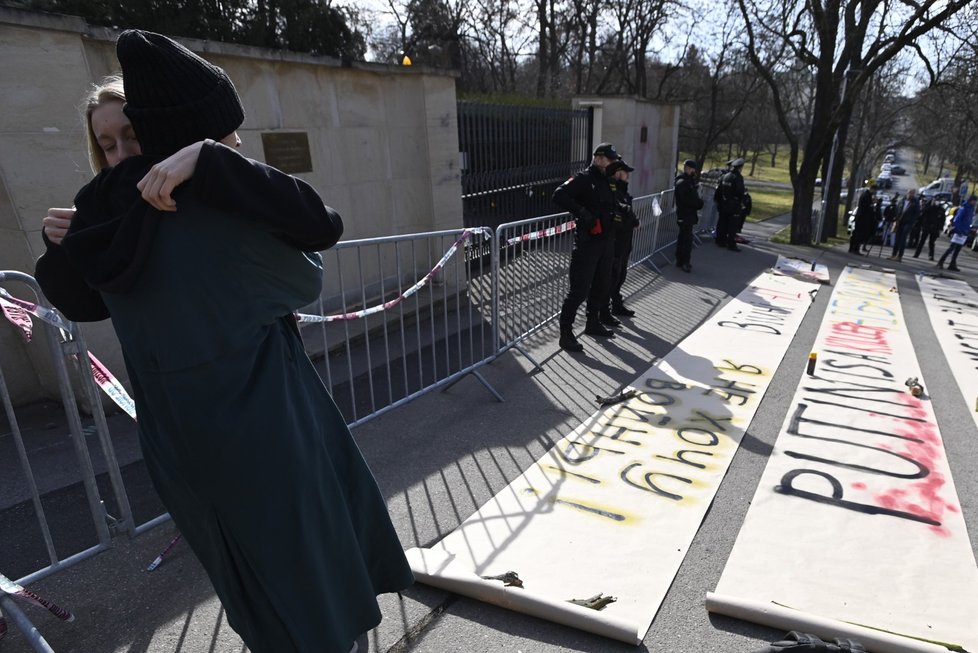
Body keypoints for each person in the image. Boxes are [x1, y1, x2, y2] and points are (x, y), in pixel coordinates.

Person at [35, 30, 413, 653]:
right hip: (259, 418)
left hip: (181, 434)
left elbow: (82, 300)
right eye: (107, 145)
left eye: (131, 136)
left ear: (158, 132)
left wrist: (69, 248)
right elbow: (305, 273)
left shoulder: (105, 229)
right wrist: (218, 170)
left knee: (246, 568)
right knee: (306, 558)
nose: (123, 154)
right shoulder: (203, 217)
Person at [552, 142, 620, 352]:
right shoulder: (584, 179)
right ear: (599, 159)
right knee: (579, 291)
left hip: (606, 242)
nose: (613, 162)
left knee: (602, 284)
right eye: (610, 159)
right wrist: (582, 212)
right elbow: (559, 195)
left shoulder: (607, 181)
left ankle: (593, 322)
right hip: (587, 243)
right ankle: (566, 334)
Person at [604, 158, 639, 318]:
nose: (628, 175)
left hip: (625, 241)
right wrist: (631, 223)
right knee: (612, 275)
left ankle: (616, 304)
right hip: (617, 240)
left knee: (620, 275)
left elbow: (627, 212)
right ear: (618, 173)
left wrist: (633, 220)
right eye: (625, 172)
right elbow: (617, 218)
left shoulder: (623, 191)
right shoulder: (613, 191)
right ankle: (604, 310)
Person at [674, 158, 703, 272]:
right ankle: (684, 261)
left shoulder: (688, 182)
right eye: (693, 169)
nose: (694, 172)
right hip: (685, 214)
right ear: (689, 169)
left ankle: (681, 260)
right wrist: (699, 203)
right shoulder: (683, 183)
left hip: (687, 214)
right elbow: (686, 200)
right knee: (686, 239)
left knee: (684, 238)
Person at [937, 195, 977, 272]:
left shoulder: (971, 209)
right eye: (974, 201)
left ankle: (952, 264)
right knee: (952, 248)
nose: (975, 202)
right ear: (971, 200)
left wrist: (968, 230)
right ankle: (941, 261)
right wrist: (958, 230)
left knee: (957, 249)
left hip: (964, 232)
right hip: (959, 231)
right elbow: (957, 220)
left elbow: (968, 221)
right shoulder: (964, 208)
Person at [714, 157, 747, 251]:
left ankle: (720, 240)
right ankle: (731, 243)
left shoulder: (725, 176)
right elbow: (740, 191)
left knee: (722, 222)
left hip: (724, 203)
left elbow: (719, 190)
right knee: (733, 224)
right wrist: (743, 202)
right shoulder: (738, 177)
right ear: (740, 167)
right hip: (734, 204)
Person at [888, 188, 919, 262]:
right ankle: (893, 255)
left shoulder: (915, 202)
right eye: (909, 193)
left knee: (903, 239)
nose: (910, 194)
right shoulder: (902, 200)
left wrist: (912, 221)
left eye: (912, 193)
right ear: (907, 193)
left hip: (907, 223)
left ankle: (899, 256)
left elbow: (917, 213)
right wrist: (896, 219)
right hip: (899, 221)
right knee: (897, 239)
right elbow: (897, 209)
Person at [849, 186, 875, 255]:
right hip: (862, 218)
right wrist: (872, 206)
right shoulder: (867, 196)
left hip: (860, 216)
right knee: (859, 234)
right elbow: (866, 207)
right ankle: (855, 249)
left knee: (855, 233)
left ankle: (852, 248)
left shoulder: (864, 194)